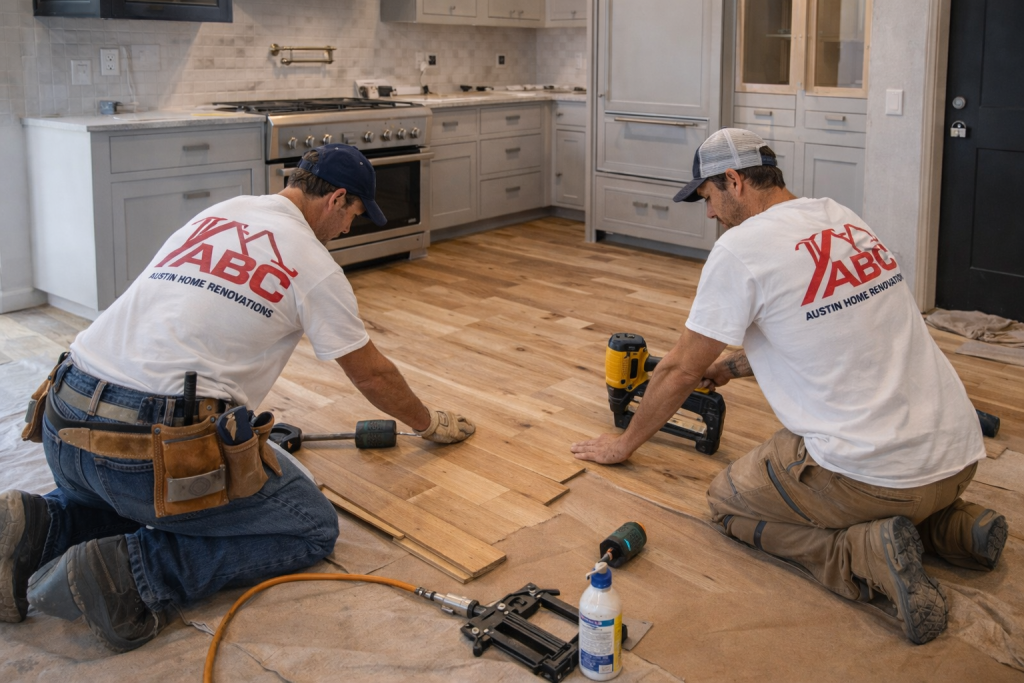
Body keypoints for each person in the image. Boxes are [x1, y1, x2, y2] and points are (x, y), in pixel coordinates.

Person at [0, 144, 475, 652]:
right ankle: (134, 574)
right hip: (148, 449)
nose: (349, 229)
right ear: (337, 198)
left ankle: (41, 525)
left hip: (61, 415)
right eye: (355, 215)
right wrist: (428, 423)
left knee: (132, 495)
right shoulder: (314, 266)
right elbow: (374, 376)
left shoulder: (219, 213)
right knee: (308, 526)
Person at [570, 128, 1006, 644]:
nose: (709, 213)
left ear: (733, 181)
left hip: (874, 478)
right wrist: (731, 368)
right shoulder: (840, 218)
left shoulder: (740, 249)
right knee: (886, 481)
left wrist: (623, 444)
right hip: (957, 458)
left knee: (729, 501)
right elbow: (825, 329)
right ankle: (952, 527)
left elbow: (680, 371)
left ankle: (858, 555)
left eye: (708, 197)